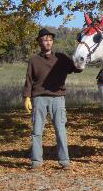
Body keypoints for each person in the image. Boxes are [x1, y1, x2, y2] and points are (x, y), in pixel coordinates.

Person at [23, 28, 83, 170]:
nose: (48, 42)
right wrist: (27, 97)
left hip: (58, 99)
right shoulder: (34, 60)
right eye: (44, 39)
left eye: (50, 39)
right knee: (37, 131)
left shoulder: (61, 58)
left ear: (52, 42)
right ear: (39, 42)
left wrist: (80, 57)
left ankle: (64, 161)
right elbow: (29, 81)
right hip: (39, 99)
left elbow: (77, 68)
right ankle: (36, 162)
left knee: (60, 130)